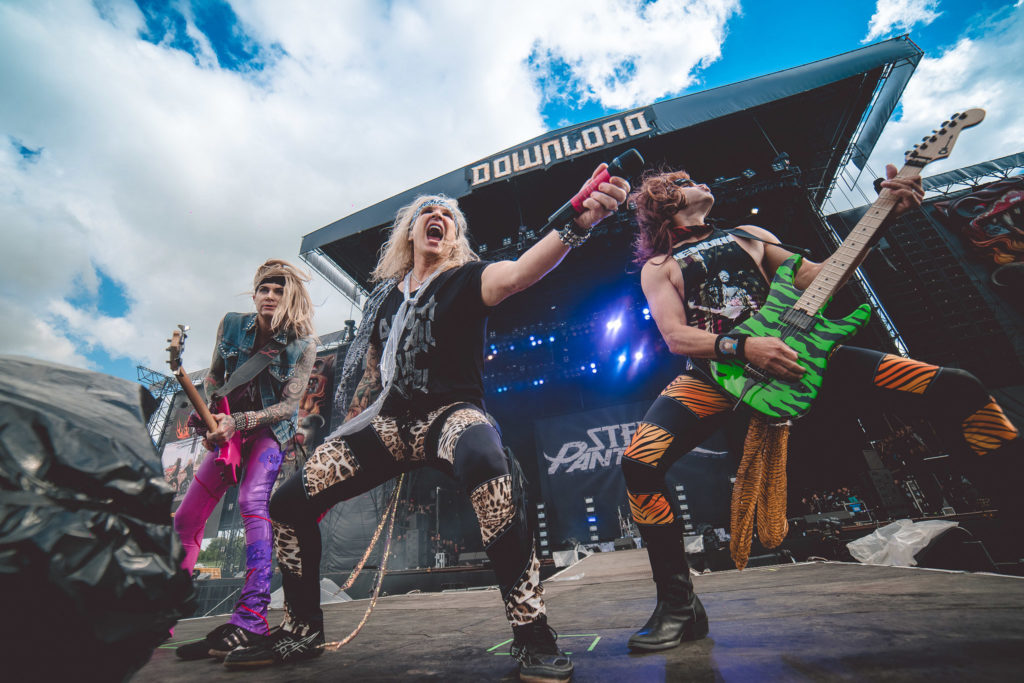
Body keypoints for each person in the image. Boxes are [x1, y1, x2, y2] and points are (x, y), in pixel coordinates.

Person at [222, 164, 629, 681]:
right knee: (286, 502)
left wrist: (578, 218)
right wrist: (340, 434)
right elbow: (370, 375)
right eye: (426, 213)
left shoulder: (468, 278)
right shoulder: (383, 299)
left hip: (450, 415)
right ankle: (302, 629)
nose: (437, 216)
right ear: (410, 232)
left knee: (487, 461)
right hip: (388, 423)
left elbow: (523, 271)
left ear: (454, 236)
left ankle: (531, 630)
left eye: (447, 216)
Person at [620, 165, 1022, 652]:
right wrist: (742, 348)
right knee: (640, 461)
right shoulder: (659, 265)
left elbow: (820, 278)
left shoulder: (750, 234)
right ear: (665, 199)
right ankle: (678, 607)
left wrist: (883, 218)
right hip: (717, 376)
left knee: (959, 389)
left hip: (804, 356)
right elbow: (676, 336)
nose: (702, 181)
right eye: (685, 180)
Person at [174, 259, 317, 660]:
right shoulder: (231, 324)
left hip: (268, 433)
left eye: (278, 290)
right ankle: (163, 613)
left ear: (289, 296)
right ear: (254, 294)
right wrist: (207, 418)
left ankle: (251, 618)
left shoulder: (304, 344)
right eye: (264, 289)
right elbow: (216, 377)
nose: (270, 296)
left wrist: (238, 421)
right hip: (227, 431)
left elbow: (288, 407)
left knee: (255, 503)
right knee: (186, 518)